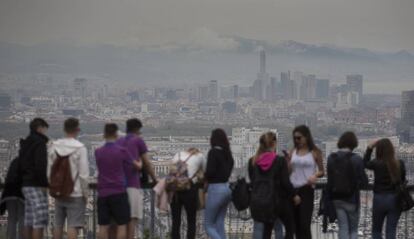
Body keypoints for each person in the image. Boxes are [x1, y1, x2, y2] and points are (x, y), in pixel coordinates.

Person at [248, 132, 299, 239]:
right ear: (274, 143)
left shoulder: (253, 161)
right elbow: (285, 182)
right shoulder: (279, 160)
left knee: (264, 229)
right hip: (277, 201)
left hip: (259, 201)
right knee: (288, 227)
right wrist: (294, 195)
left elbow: (253, 182)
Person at [48, 118, 90, 239]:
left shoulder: (54, 146)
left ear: (64, 129)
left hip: (59, 192)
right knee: (72, 226)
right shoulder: (80, 148)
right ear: (77, 130)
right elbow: (84, 175)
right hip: (75, 192)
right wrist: (85, 194)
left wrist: (53, 187)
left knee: (58, 225)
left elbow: (49, 171)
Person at [326, 132, 368, 239]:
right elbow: (364, 182)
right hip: (352, 199)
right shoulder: (357, 159)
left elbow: (329, 180)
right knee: (353, 229)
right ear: (354, 144)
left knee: (343, 227)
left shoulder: (331, 158)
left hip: (337, 198)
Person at [364, 138, 406, 239]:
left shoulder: (376, 163)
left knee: (376, 230)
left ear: (379, 150)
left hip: (379, 198)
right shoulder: (399, 163)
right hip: (395, 199)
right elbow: (402, 180)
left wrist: (369, 148)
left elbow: (365, 163)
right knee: (391, 230)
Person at [95, 123, 132, 239]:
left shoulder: (98, 151)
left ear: (104, 135)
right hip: (118, 191)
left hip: (103, 192)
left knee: (103, 226)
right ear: (116, 134)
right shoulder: (122, 151)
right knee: (122, 224)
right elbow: (129, 167)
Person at [288, 125, 324, 239]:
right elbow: (288, 171)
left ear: (306, 137)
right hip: (293, 190)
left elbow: (322, 171)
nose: (297, 140)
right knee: (295, 225)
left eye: (299, 138)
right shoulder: (293, 151)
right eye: (295, 138)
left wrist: (315, 175)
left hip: (307, 190)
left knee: (305, 224)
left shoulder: (315, 152)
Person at [20, 118, 49, 239]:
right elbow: (40, 166)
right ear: (40, 128)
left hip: (24, 184)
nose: (45, 132)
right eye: (45, 129)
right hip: (35, 184)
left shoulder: (26, 142)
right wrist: (44, 184)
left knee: (28, 219)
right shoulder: (39, 143)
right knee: (39, 220)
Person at [116, 118, 146, 239]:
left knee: (120, 223)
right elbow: (146, 162)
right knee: (131, 221)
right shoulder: (138, 141)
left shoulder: (119, 142)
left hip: (117, 186)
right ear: (137, 129)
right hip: (133, 184)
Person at [170, 148, 206, 239]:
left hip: (175, 191)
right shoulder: (200, 156)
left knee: (175, 221)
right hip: (190, 189)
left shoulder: (177, 155)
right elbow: (205, 174)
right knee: (191, 220)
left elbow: (171, 172)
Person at [204, 129, 234, 239]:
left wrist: (204, 176)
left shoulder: (213, 153)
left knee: (208, 225)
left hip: (216, 189)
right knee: (219, 222)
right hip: (227, 189)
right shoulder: (228, 154)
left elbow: (210, 171)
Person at [0, 157, 26, 239]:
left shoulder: (14, 162)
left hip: (9, 194)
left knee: (11, 219)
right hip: (21, 194)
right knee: (22, 217)